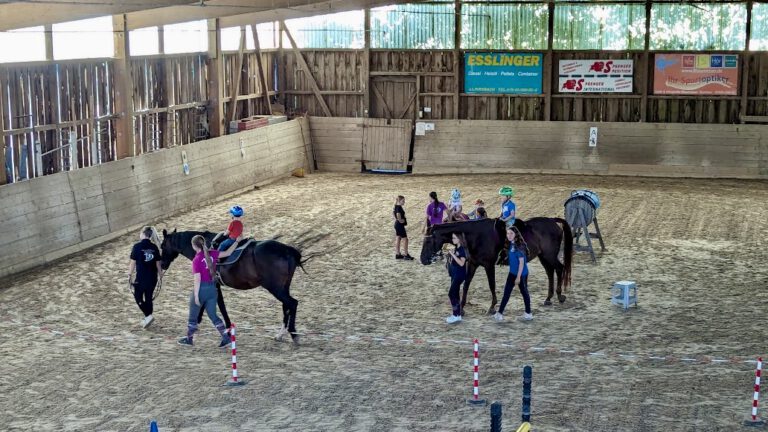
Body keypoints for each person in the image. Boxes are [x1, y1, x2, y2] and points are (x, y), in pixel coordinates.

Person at [178, 235, 238, 347]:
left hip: (202, 289)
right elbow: (228, 253)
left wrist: (196, 296)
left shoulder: (196, 260)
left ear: (194, 246)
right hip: (212, 289)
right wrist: (236, 242)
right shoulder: (213, 253)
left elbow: (197, 279)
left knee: (193, 317)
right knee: (213, 316)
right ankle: (226, 338)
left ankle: (189, 339)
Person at [128, 226, 163, 329]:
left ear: (143, 234)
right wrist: (160, 275)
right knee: (148, 297)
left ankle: (148, 316)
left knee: (138, 296)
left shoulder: (137, 247)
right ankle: (148, 316)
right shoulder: (155, 247)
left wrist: (129, 275)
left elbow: (132, 263)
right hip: (152, 278)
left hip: (141, 278)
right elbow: (158, 264)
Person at [494, 227, 532, 322]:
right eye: (507, 233)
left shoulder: (519, 246)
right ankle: (499, 313)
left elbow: (522, 263)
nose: (509, 235)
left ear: (516, 234)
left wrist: (518, 277)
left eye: (511, 233)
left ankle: (528, 314)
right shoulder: (511, 244)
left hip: (521, 274)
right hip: (512, 273)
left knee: (524, 292)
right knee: (506, 292)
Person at [445, 233, 468, 324]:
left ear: (459, 239)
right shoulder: (457, 248)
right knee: (456, 294)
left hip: (459, 274)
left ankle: (455, 314)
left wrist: (453, 255)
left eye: (454, 238)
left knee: (451, 294)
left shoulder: (462, 249)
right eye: (452, 238)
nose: (452, 239)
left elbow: (462, 263)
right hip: (455, 273)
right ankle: (458, 315)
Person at [393, 195, 414, 260]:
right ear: (399, 201)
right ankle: (406, 254)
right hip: (399, 225)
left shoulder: (395, 206)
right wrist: (400, 220)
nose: (404, 202)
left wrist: (396, 219)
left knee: (398, 238)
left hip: (397, 224)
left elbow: (393, 213)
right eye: (403, 201)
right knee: (405, 239)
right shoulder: (399, 207)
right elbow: (398, 214)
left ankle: (398, 254)